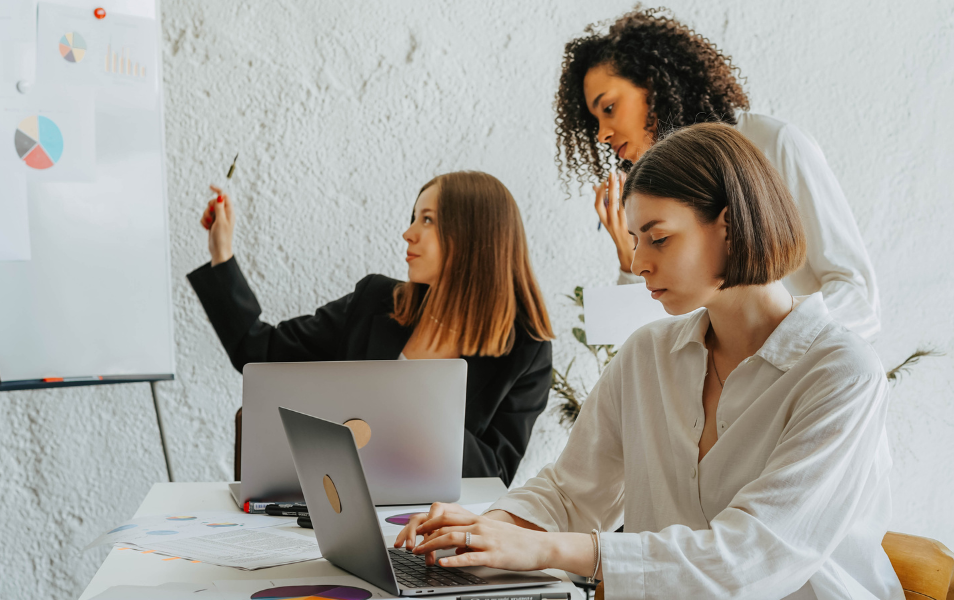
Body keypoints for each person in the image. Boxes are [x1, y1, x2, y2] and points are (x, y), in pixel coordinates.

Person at [396, 124, 902, 600]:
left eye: (657, 238)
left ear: (729, 225)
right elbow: (572, 493)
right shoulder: (647, 355)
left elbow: (753, 557)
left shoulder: (841, 374)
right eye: (635, 241)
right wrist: (485, 529)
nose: (638, 263)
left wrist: (547, 549)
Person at [187, 171, 554, 485]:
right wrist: (222, 254)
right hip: (338, 503)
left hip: (429, 528)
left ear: (475, 236)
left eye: (427, 220)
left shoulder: (526, 350)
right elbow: (258, 352)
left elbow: (495, 476)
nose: (408, 233)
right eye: (414, 217)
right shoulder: (375, 301)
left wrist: (415, 406)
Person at [556, 9, 881, 339]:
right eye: (594, 121)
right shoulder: (654, 194)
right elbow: (644, 342)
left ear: (654, 86)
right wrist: (630, 257)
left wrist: (775, 349)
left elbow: (857, 295)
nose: (601, 135)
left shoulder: (773, 144)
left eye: (609, 108)